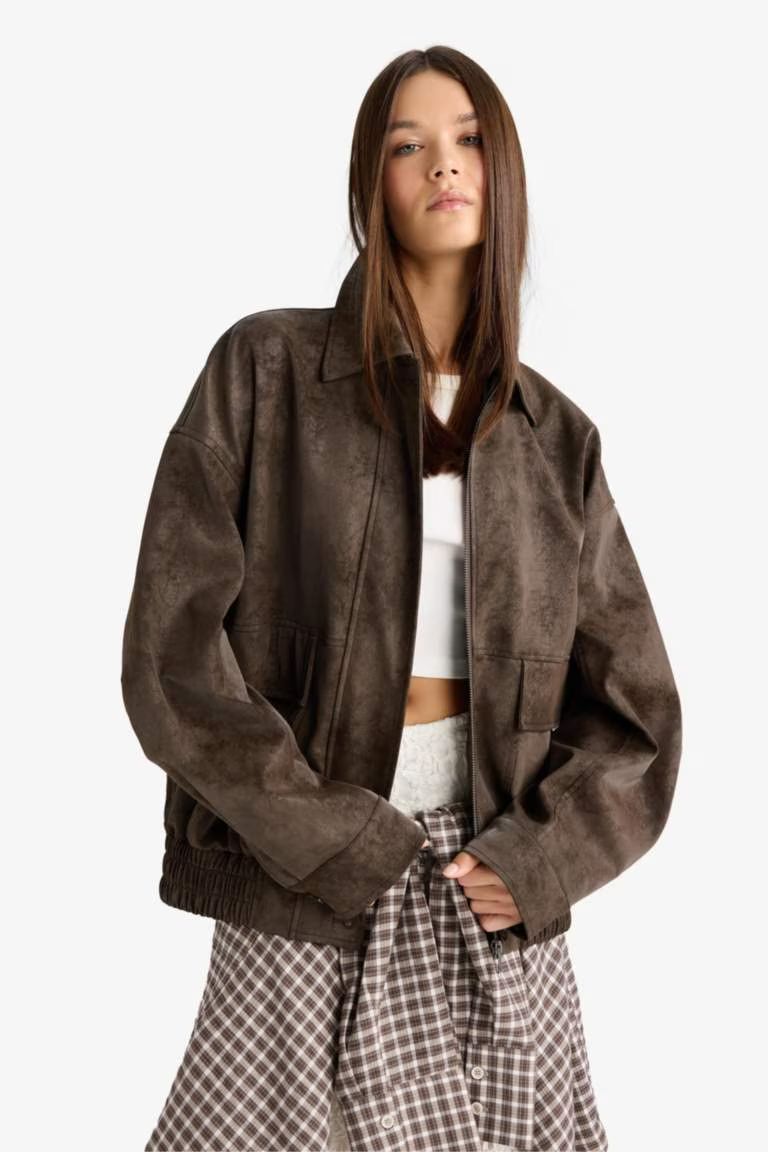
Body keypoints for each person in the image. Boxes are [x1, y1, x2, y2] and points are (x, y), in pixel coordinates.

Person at [121, 45, 682, 1152]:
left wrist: (539, 863)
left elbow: (637, 716)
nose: (443, 164)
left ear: (504, 171)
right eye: (407, 144)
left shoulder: (554, 439)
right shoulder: (265, 371)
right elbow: (172, 658)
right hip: (307, 874)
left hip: (489, 884)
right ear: (369, 184)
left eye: (469, 139)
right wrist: (323, 835)